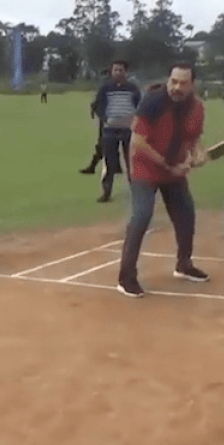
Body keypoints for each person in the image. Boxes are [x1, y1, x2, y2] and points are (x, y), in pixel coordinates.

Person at [117, 63, 210, 298]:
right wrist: (170, 165)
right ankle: (126, 278)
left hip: (174, 169)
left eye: (183, 83)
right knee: (142, 215)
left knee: (186, 213)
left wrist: (197, 152)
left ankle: (184, 264)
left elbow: (193, 137)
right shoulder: (153, 102)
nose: (177, 87)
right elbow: (138, 142)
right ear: (168, 80)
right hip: (145, 168)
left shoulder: (197, 107)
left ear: (192, 85)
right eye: (174, 81)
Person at [90, 61, 142, 202]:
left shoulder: (132, 89)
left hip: (128, 130)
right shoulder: (105, 88)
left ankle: (137, 192)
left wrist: (137, 121)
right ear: (111, 72)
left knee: (131, 161)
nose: (118, 72)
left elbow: (140, 105)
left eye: (121, 70)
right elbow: (96, 105)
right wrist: (105, 118)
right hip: (110, 130)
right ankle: (107, 192)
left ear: (126, 72)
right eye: (115, 70)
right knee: (110, 162)